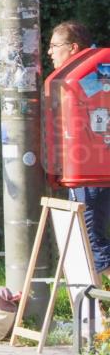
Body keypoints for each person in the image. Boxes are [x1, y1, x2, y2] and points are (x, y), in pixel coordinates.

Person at [47, 21, 110, 280]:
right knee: (89, 241)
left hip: (88, 170)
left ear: (73, 48)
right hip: (93, 168)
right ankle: (97, 312)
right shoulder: (97, 72)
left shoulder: (81, 77)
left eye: (54, 46)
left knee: (93, 243)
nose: (49, 52)